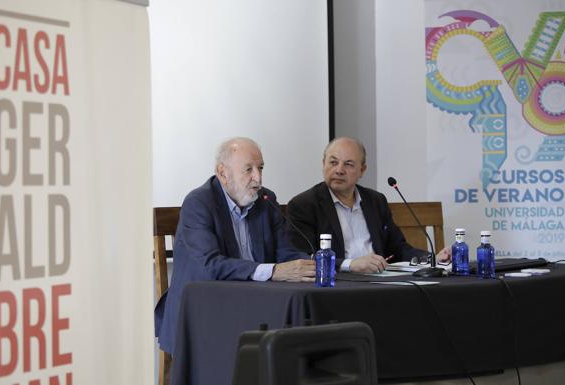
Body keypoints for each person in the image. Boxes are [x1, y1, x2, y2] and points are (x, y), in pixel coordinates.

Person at [155, 137, 315, 354]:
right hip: (203, 313)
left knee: (298, 337)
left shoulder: (265, 200)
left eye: (260, 168)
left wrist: (310, 265)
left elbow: (285, 252)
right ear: (223, 173)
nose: (257, 178)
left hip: (253, 305)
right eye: (248, 169)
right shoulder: (199, 203)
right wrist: (274, 271)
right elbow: (210, 265)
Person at [287, 137, 451, 274]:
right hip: (337, 284)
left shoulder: (375, 201)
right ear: (323, 164)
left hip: (380, 281)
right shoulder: (304, 205)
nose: (339, 170)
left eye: (349, 164)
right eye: (333, 162)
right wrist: (350, 264)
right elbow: (304, 257)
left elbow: (398, 248)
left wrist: (432, 258)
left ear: (362, 170)